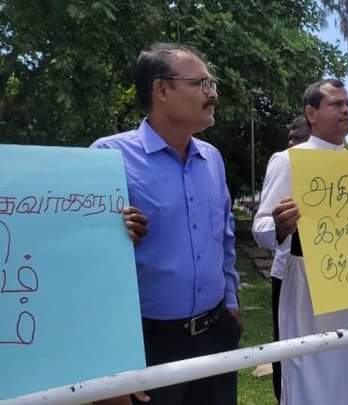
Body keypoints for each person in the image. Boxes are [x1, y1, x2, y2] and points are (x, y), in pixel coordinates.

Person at [92, 43, 241, 405]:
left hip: (216, 334)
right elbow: (91, 268)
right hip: (147, 342)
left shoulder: (213, 159)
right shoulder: (107, 158)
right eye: (202, 84)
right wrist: (108, 362)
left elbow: (225, 237)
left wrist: (232, 305)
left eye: (213, 84)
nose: (213, 94)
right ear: (161, 90)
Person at [252, 79, 348, 405]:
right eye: (337, 104)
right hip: (310, 285)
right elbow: (261, 226)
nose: (347, 110)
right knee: (313, 369)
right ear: (311, 112)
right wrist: (280, 226)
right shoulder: (289, 160)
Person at [267, 116, 311, 402]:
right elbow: (261, 226)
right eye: (290, 139)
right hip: (288, 275)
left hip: (334, 280)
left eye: (299, 139)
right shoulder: (283, 162)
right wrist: (280, 227)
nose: (293, 145)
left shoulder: (342, 167)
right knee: (290, 352)